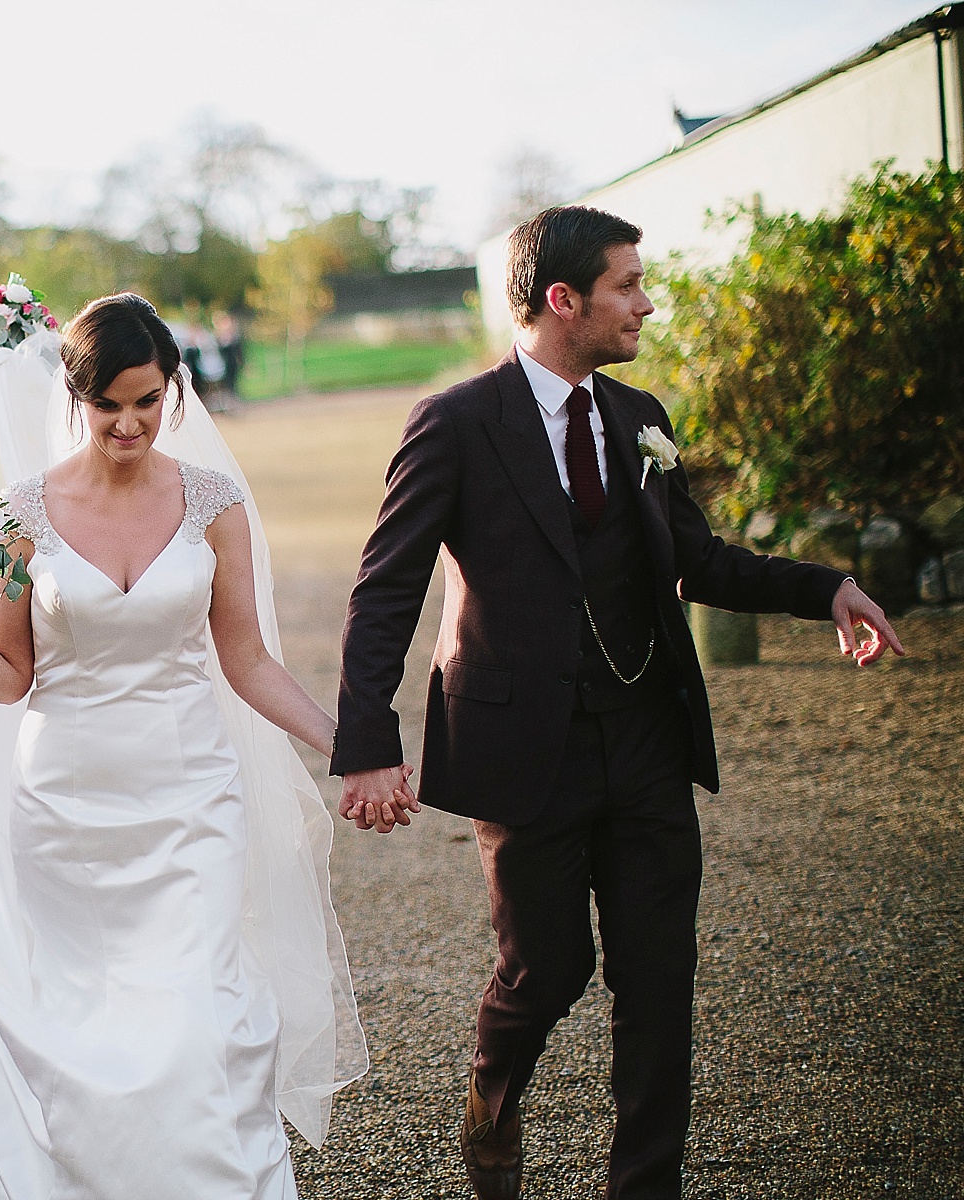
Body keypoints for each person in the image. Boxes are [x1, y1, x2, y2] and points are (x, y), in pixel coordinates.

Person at [331, 206, 905, 1200]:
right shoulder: (457, 424)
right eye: (627, 284)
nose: (646, 302)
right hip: (524, 749)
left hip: (644, 740)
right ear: (564, 301)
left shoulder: (642, 417)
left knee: (658, 983)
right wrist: (366, 742)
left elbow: (695, 558)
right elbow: (388, 588)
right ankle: (492, 1099)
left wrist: (826, 589)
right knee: (545, 972)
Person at [0, 293, 368, 1200]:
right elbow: (8, 673)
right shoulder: (21, 515)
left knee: (203, 1014)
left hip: (191, 795)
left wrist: (346, 746)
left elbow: (247, 659)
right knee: (90, 1032)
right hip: (66, 811)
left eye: (148, 401)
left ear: (173, 392)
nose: (129, 423)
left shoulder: (214, 502)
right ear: (75, 396)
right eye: (108, 402)